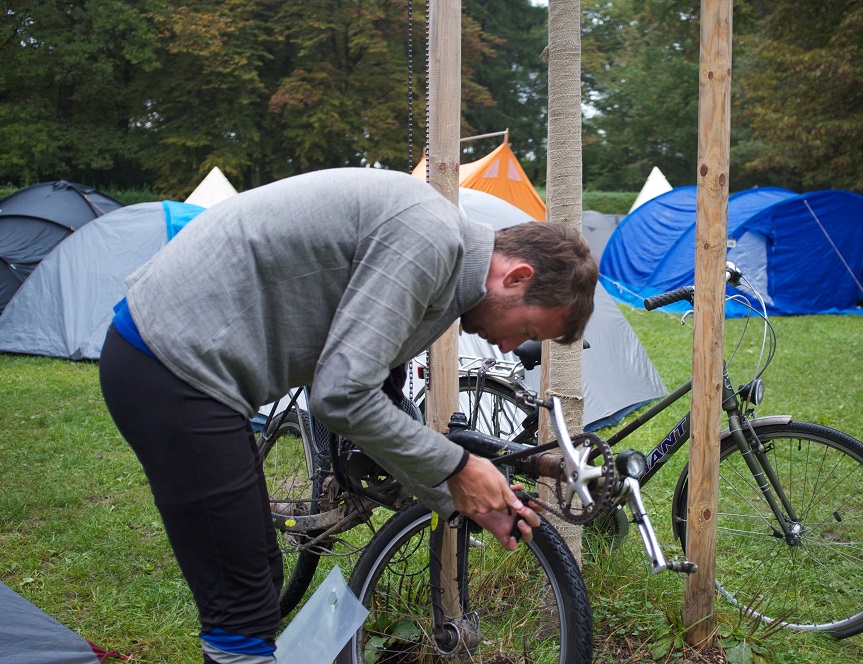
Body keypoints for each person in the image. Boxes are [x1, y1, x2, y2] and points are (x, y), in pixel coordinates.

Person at [98, 167, 598, 664]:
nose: (510, 347)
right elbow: (340, 396)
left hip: (183, 365)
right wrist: (460, 467)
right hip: (169, 363)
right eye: (527, 327)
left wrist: (462, 497)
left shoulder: (445, 267)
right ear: (516, 277)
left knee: (253, 587)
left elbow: (374, 398)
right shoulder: (428, 242)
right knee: (243, 602)